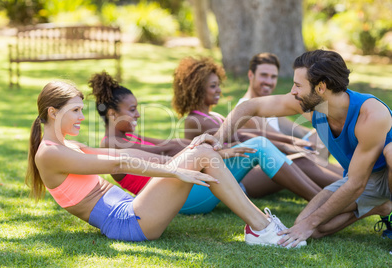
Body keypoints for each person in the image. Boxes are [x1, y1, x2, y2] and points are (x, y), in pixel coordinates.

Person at [25, 80, 307, 247]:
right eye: (75, 111)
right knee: (200, 154)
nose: (81, 117)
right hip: (128, 222)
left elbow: (125, 157)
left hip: (133, 212)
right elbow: (117, 164)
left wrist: (182, 160)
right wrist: (174, 169)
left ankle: (260, 226)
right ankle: (262, 228)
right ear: (53, 112)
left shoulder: (66, 146)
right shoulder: (49, 154)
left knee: (202, 150)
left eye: (81, 110)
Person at [189, 49, 392, 248]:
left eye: (297, 85)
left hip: (382, 172)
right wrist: (217, 139)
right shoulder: (314, 107)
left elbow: (356, 184)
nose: (293, 91)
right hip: (366, 177)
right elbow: (251, 106)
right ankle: (381, 206)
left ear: (321, 87)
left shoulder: (371, 115)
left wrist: (308, 224)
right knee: (311, 227)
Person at [89, 71, 264, 214]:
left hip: (183, 192)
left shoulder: (126, 138)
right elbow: (166, 149)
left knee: (259, 146)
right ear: (112, 114)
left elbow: (172, 142)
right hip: (180, 200)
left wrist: (211, 148)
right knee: (260, 147)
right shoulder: (112, 144)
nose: (138, 115)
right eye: (132, 110)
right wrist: (217, 151)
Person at [172, 56, 340, 199]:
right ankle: (339, 195)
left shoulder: (215, 116)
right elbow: (243, 137)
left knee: (304, 156)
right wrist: (286, 145)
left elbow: (251, 134)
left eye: (218, 85)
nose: (219, 91)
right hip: (237, 178)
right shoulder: (195, 120)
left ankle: (346, 184)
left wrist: (290, 141)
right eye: (213, 86)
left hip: (245, 168)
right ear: (198, 89)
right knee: (300, 160)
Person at [238, 52, 341, 168]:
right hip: (276, 163)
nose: (268, 81)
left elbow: (299, 131)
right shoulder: (247, 110)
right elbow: (282, 140)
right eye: (264, 75)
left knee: (329, 127)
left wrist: (322, 126)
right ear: (251, 75)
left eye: (273, 77)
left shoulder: (269, 108)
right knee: (328, 131)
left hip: (288, 156)